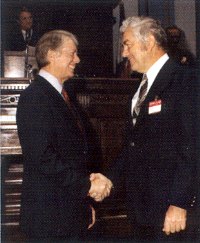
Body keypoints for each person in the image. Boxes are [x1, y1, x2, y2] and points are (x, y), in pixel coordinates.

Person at [90, 16, 198, 241]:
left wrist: (180, 202)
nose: (123, 53)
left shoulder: (185, 80)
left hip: (172, 212)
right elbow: (133, 146)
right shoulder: (140, 88)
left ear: (148, 42)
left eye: (127, 44)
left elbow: (193, 147)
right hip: (142, 210)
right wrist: (109, 179)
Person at [16, 29, 112, 242]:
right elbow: (43, 158)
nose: (77, 59)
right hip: (49, 219)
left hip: (69, 212)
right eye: (72, 53)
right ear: (52, 55)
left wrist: (85, 205)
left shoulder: (63, 96)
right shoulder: (34, 98)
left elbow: (74, 158)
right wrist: (87, 186)